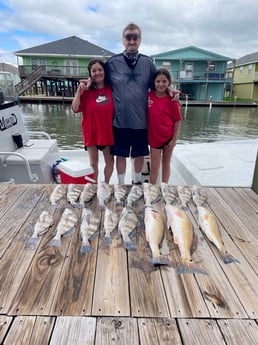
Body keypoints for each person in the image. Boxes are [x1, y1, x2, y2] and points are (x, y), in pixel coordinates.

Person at [106, 22, 179, 185]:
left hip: (141, 121)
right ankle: (120, 184)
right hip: (119, 120)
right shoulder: (112, 62)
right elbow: (100, 80)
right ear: (123, 40)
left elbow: (159, 84)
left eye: (135, 37)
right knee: (121, 154)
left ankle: (136, 182)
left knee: (138, 154)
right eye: (128, 37)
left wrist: (170, 90)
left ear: (140, 40)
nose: (131, 41)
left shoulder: (148, 63)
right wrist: (88, 83)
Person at [71, 59, 114, 183]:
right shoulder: (86, 90)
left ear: (105, 71)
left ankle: (106, 183)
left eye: (100, 70)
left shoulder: (112, 88)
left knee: (110, 161)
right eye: (93, 71)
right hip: (90, 131)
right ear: (90, 73)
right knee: (93, 163)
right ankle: (94, 186)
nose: (97, 73)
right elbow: (75, 108)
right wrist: (80, 90)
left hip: (108, 131)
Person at [147, 68, 182, 184]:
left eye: (164, 81)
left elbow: (177, 121)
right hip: (154, 138)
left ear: (168, 83)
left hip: (168, 137)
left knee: (166, 163)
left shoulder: (172, 100)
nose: (161, 84)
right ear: (154, 82)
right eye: (158, 81)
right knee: (155, 165)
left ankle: (164, 187)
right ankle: (152, 188)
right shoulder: (149, 96)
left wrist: (174, 140)